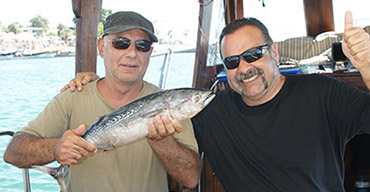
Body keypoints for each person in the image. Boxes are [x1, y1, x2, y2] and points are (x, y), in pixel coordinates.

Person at [62, 11, 370, 191]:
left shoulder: (322, 92)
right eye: (233, 61)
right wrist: (96, 79)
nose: (244, 68)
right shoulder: (212, 109)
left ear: (274, 52)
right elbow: (186, 170)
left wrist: (368, 66)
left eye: (253, 55)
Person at [4, 11, 201, 192]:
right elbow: (13, 152)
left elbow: (191, 179)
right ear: (101, 47)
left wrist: (163, 141)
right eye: (121, 43)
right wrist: (55, 149)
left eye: (142, 46)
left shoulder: (171, 105)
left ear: (150, 52)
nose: (132, 53)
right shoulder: (72, 98)